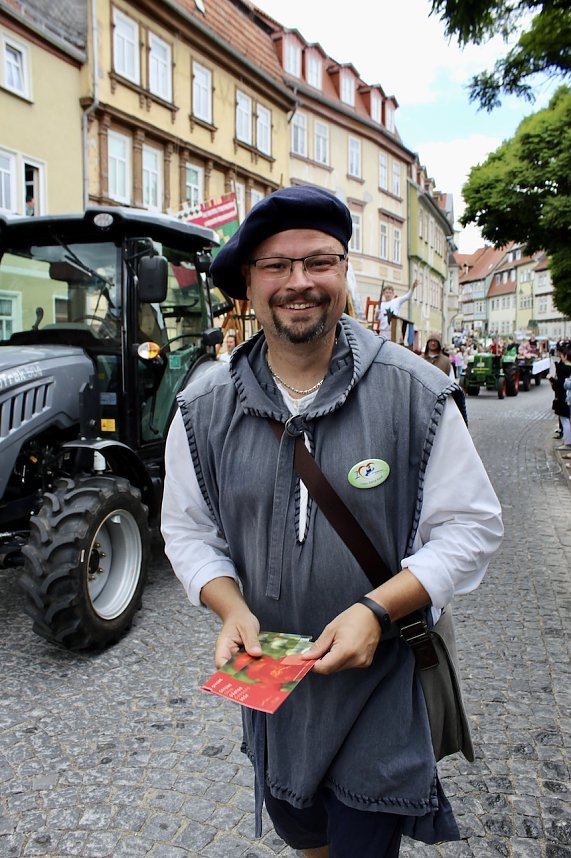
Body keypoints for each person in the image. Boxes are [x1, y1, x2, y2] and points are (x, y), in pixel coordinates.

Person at [161, 186, 503, 858]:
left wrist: (376, 612)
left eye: (319, 262)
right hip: (274, 682)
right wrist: (228, 606)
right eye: (276, 266)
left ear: (344, 272)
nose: (299, 283)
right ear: (248, 286)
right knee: (300, 829)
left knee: (361, 842)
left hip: (381, 680)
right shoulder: (201, 407)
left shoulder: (417, 394)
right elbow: (187, 528)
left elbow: (470, 527)